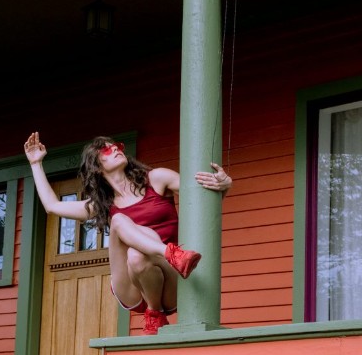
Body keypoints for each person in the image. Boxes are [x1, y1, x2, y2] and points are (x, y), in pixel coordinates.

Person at [24, 132, 232, 335]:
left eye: (118, 146)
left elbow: (202, 198)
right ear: (96, 166)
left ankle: (154, 313)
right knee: (119, 220)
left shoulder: (157, 179)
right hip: (130, 288)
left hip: (169, 281)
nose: (115, 148)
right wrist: (35, 163)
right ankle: (171, 253)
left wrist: (224, 185)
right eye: (105, 149)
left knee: (136, 254)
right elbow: (51, 206)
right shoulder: (103, 205)